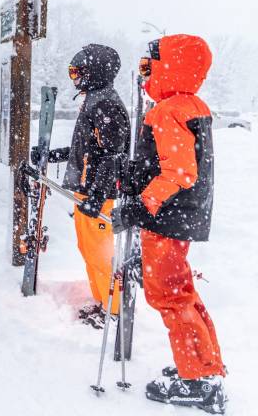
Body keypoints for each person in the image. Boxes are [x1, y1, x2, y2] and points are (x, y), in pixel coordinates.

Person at [111, 35, 226, 413]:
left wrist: (142, 207)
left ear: (170, 67)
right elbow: (166, 164)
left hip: (167, 217)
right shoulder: (192, 105)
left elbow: (178, 172)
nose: (145, 75)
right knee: (182, 290)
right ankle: (202, 365)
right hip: (180, 216)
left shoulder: (167, 110)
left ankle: (197, 380)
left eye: (149, 67)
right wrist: (136, 175)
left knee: (169, 295)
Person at [31, 44, 130, 329]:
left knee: (101, 255)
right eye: (71, 72)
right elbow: (85, 149)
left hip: (100, 195)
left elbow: (113, 155)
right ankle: (103, 302)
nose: (74, 77)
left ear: (94, 71)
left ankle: (114, 311)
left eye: (78, 71)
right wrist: (52, 155)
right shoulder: (94, 100)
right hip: (87, 190)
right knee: (88, 250)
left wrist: (98, 195)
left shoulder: (106, 104)